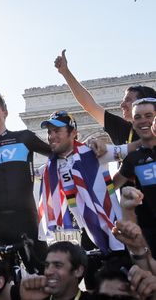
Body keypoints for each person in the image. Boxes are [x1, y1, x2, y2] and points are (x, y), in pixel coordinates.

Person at [38, 110, 135, 254]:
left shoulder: (94, 151)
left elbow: (132, 149)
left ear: (73, 133)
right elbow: (22, 174)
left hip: (114, 228)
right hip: (85, 235)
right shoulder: (49, 168)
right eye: (49, 132)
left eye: (57, 131)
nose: (51, 136)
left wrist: (150, 134)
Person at [0, 93, 50, 270]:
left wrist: (86, 144)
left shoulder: (24, 138)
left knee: (41, 272)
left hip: (25, 218)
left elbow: (58, 153)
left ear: (5, 112)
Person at [54, 49, 156, 145]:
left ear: (144, 104)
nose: (122, 105)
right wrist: (65, 72)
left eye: (128, 100)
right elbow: (90, 106)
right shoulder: (122, 130)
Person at [113, 98, 156, 254]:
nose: (143, 121)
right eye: (137, 117)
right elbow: (109, 187)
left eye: (148, 115)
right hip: (150, 236)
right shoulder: (133, 159)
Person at [19, 241, 93, 300]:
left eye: (58, 265)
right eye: (47, 265)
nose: (48, 272)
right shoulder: (34, 297)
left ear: (78, 271)